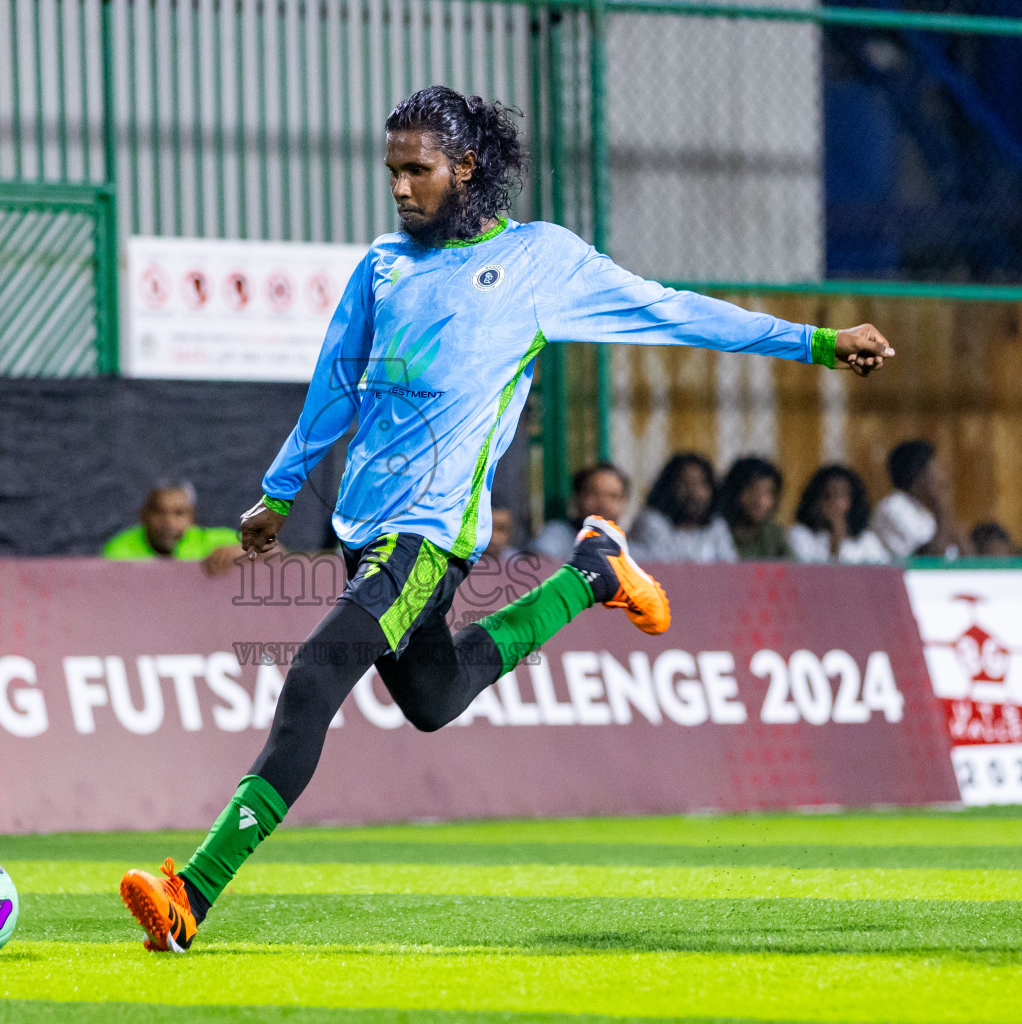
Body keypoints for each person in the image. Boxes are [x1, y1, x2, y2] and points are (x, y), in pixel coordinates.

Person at [118, 85, 895, 953]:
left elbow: (673, 310)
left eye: (418, 170)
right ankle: (594, 574)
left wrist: (816, 343)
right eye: (393, 172)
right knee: (433, 698)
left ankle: (194, 889)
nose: (402, 188)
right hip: (361, 531)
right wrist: (280, 491)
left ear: (466, 167)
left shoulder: (539, 264)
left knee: (313, 676)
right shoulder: (381, 265)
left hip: (429, 536)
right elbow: (334, 382)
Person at [102, 481, 245, 575]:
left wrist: (242, 551)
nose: (168, 522)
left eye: (179, 513)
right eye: (159, 512)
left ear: (192, 518)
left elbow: (266, 547)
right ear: (143, 515)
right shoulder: (119, 551)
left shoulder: (208, 542)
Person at [871, 439, 972, 559]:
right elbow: (927, 559)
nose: (943, 478)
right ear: (919, 474)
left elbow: (970, 559)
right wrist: (941, 511)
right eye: (937, 469)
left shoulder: (927, 512)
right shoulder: (893, 507)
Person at [630, 453, 737, 563]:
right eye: (685, 483)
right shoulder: (652, 522)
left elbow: (729, 568)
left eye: (701, 484)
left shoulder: (717, 528)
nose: (694, 492)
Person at [787, 465, 890, 564]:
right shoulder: (800, 535)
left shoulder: (867, 540)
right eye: (827, 496)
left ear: (853, 500)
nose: (834, 503)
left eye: (841, 495)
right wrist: (836, 541)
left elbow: (882, 572)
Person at [530, 462, 630, 558]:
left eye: (613, 496)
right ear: (577, 498)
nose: (603, 503)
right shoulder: (556, 537)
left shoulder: (630, 551)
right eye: (594, 493)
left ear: (624, 503)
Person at [716, 456, 792, 560]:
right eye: (752, 490)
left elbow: (795, 569)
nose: (760, 501)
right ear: (734, 492)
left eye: (767, 493)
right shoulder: (719, 531)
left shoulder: (774, 535)